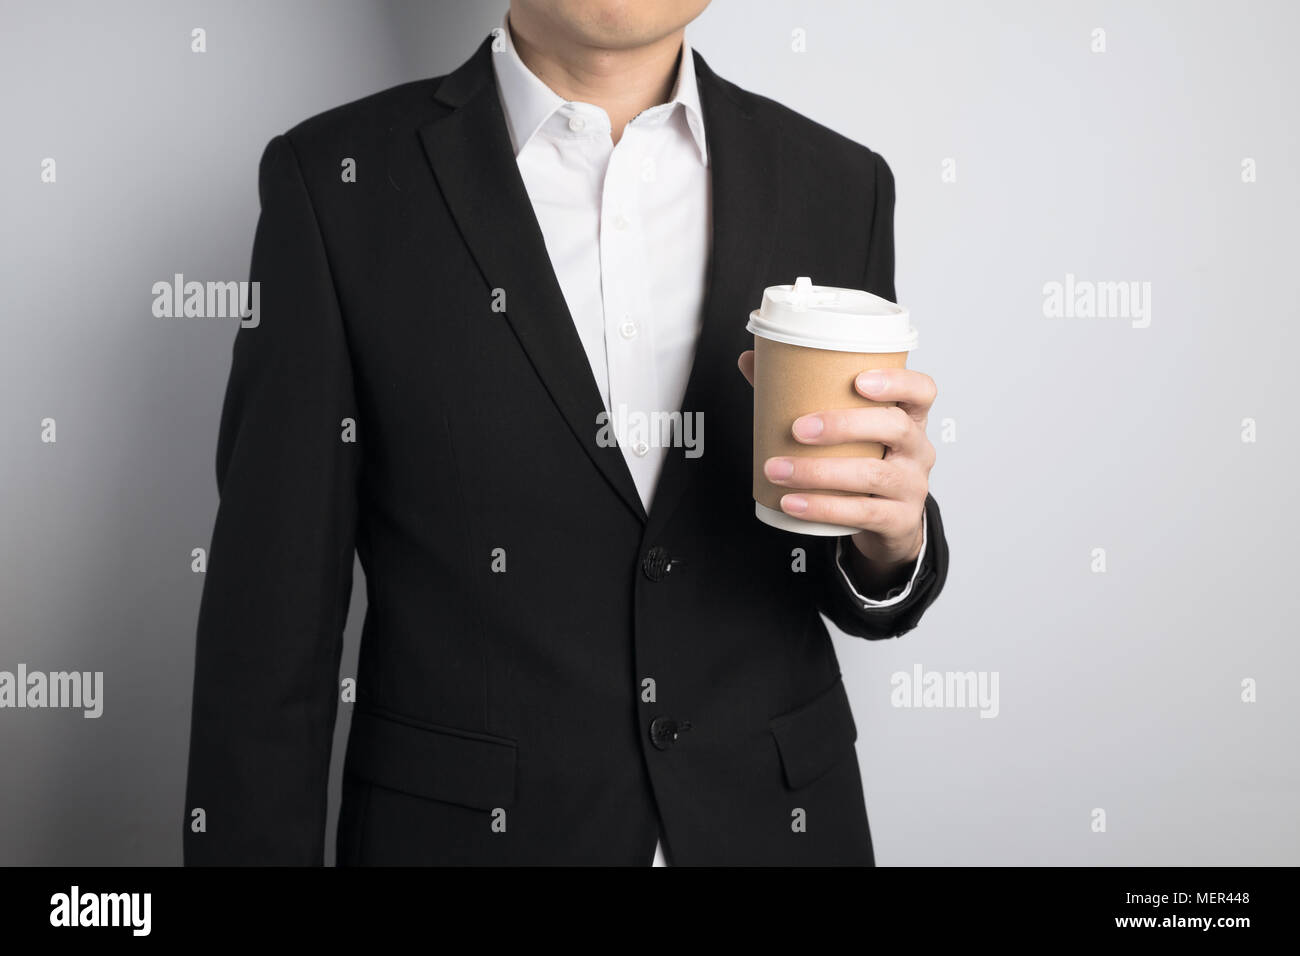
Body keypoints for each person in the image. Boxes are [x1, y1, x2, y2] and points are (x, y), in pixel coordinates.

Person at [183, 0, 948, 866]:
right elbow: (268, 635)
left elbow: (836, 542)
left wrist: (894, 543)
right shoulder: (335, 182)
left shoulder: (840, 183)